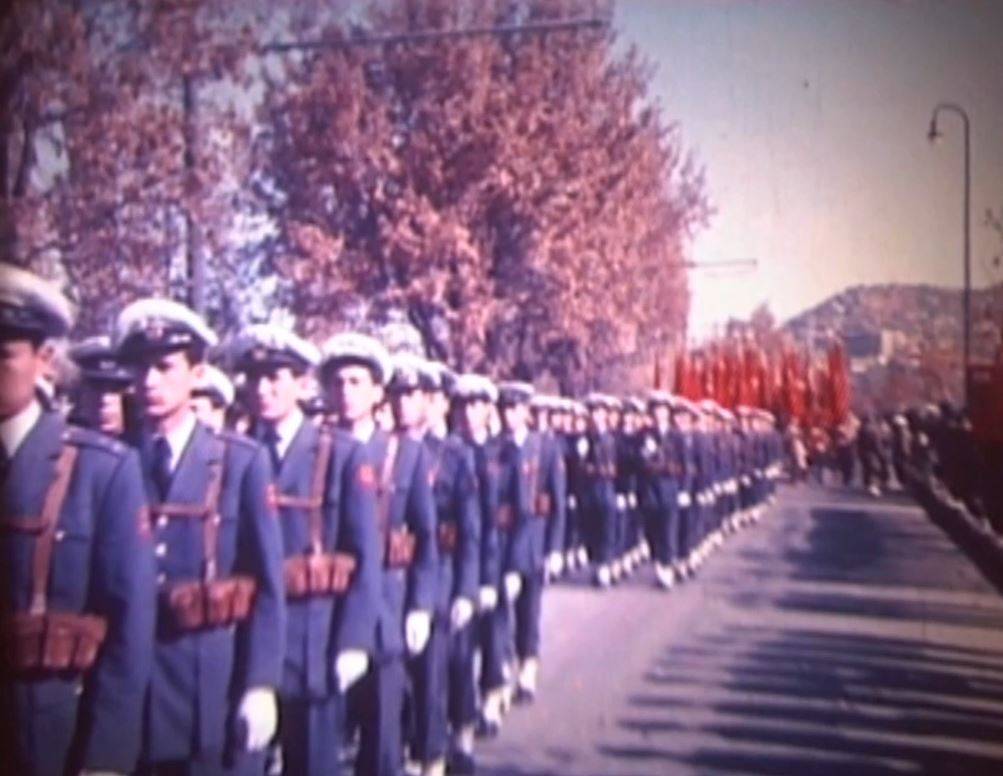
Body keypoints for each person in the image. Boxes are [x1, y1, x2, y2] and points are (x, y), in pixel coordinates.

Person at [115, 298, 286, 775]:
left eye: (165, 367)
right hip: (132, 690)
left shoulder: (239, 462)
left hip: (210, 684)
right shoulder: (114, 462)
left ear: (196, 375)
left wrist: (260, 682)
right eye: (141, 369)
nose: (150, 382)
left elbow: (267, 582)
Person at [0, 264, 155, 776]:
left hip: (50, 734)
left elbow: (128, 625)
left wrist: (106, 758)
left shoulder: (99, 470)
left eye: (3, 357)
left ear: (44, 361)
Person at [231, 323, 381, 776]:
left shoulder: (340, 454)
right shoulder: (232, 455)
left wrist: (353, 641)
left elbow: (364, 556)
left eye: (277, 377)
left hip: (312, 642)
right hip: (247, 644)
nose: (264, 389)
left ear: (300, 384)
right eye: (255, 378)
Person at [319, 333, 437, 776]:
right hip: (329, 608)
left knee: (382, 735)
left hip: (387, 607)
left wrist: (421, 607)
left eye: (355, 382)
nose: (346, 393)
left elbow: (424, 536)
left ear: (375, 391)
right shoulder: (318, 452)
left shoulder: (405, 454)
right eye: (338, 383)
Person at [495, 381, 566, 703]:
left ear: (526, 411)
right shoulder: (495, 448)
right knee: (501, 613)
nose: (509, 415)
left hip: (535, 542)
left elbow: (558, 501)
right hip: (502, 543)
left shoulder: (545, 448)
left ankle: (528, 668)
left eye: (515, 408)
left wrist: (554, 549)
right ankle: (503, 669)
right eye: (504, 408)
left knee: (529, 609)